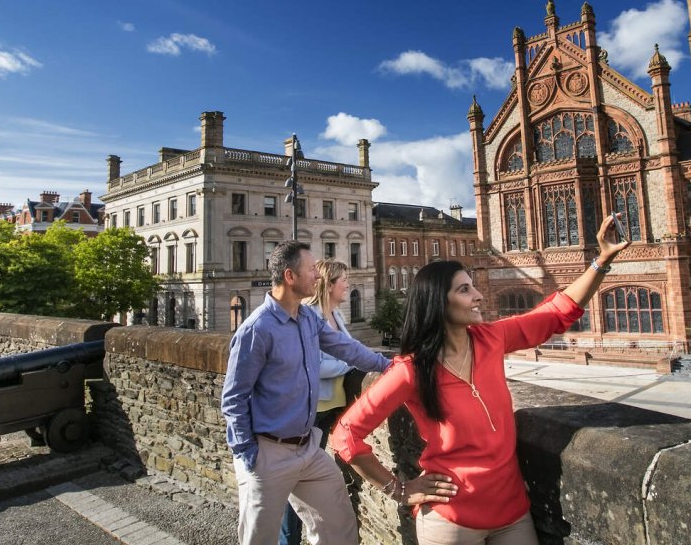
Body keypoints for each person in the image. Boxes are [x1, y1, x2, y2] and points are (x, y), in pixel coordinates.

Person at [331, 213, 629, 545]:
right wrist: (399, 489)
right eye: (465, 290)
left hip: (512, 513)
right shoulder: (410, 370)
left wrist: (601, 260)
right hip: (451, 521)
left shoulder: (490, 339)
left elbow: (556, 314)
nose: (479, 296)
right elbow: (345, 435)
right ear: (438, 303)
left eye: (472, 287)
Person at [221, 242, 391, 544]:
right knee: (258, 539)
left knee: (338, 525)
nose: (317, 274)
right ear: (290, 275)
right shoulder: (256, 329)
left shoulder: (308, 318)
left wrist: (389, 365)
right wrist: (249, 455)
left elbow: (346, 348)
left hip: (307, 448)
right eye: (311, 268)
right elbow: (234, 398)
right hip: (268, 452)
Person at [278, 259, 364, 545]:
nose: (348, 285)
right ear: (329, 284)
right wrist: (346, 364)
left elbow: (351, 349)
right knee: (294, 481)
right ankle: (287, 540)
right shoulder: (311, 315)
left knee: (303, 478)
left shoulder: (335, 315)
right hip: (311, 411)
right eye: (344, 280)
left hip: (330, 408)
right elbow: (313, 365)